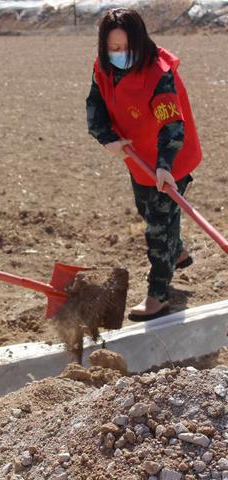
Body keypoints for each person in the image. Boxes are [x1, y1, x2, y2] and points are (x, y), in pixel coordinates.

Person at [86, 8, 202, 321]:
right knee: (147, 210)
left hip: (170, 158)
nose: (119, 54)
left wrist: (166, 165)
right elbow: (95, 104)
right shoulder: (104, 67)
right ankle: (176, 249)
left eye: (126, 47)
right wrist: (106, 137)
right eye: (113, 48)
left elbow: (171, 125)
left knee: (157, 228)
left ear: (140, 43)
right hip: (138, 157)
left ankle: (158, 296)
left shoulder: (158, 74)